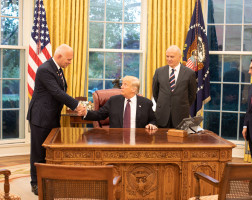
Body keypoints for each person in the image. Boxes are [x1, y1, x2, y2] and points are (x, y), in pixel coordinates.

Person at [27, 44, 85, 195]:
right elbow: (57, 92)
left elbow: (60, 92)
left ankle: (48, 178)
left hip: (52, 116)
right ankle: (35, 183)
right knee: (38, 152)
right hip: (41, 117)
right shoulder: (45, 69)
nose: (70, 62)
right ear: (59, 56)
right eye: (69, 59)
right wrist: (77, 105)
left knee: (51, 151)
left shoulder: (58, 69)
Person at [78, 76, 157, 129]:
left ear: (134, 89)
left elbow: (153, 120)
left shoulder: (146, 103)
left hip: (138, 141)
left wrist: (152, 124)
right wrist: (85, 113)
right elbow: (99, 115)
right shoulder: (113, 101)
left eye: (125, 85)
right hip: (116, 139)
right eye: (122, 84)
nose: (121, 87)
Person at [152, 45, 197, 128]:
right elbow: (155, 93)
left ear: (179, 57)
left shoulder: (189, 73)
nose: (169, 59)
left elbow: (192, 95)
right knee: (161, 140)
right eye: (167, 56)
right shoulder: (159, 72)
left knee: (178, 140)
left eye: (172, 57)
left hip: (180, 116)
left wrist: (180, 104)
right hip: (162, 115)